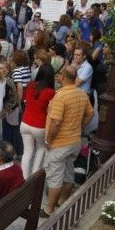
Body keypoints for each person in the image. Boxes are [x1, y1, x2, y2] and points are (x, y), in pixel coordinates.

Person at [41, 66, 94, 217]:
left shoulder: (60, 97)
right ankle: (63, 202)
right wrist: (80, 125)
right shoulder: (82, 94)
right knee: (69, 173)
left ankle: (49, 209)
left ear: (63, 77)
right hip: (74, 142)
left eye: (59, 75)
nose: (57, 77)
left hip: (59, 144)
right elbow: (90, 113)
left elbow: (56, 122)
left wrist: (48, 141)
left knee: (55, 177)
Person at [20, 64, 55, 179]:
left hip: (25, 122)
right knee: (40, 149)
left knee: (27, 152)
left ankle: (23, 179)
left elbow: (26, 101)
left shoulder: (31, 85)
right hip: (39, 125)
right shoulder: (50, 92)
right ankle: (34, 178)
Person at [0, 60, 21, 158]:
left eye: (3, 68)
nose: (0, 70)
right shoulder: (6, 80)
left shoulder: (7, 81)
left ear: (8, 70)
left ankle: (8, 154)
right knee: (10, 132)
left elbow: (9, 98)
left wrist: (5, 110)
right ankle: (13, 152)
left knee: (9, 133)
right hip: (10, 109)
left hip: (10, 110)